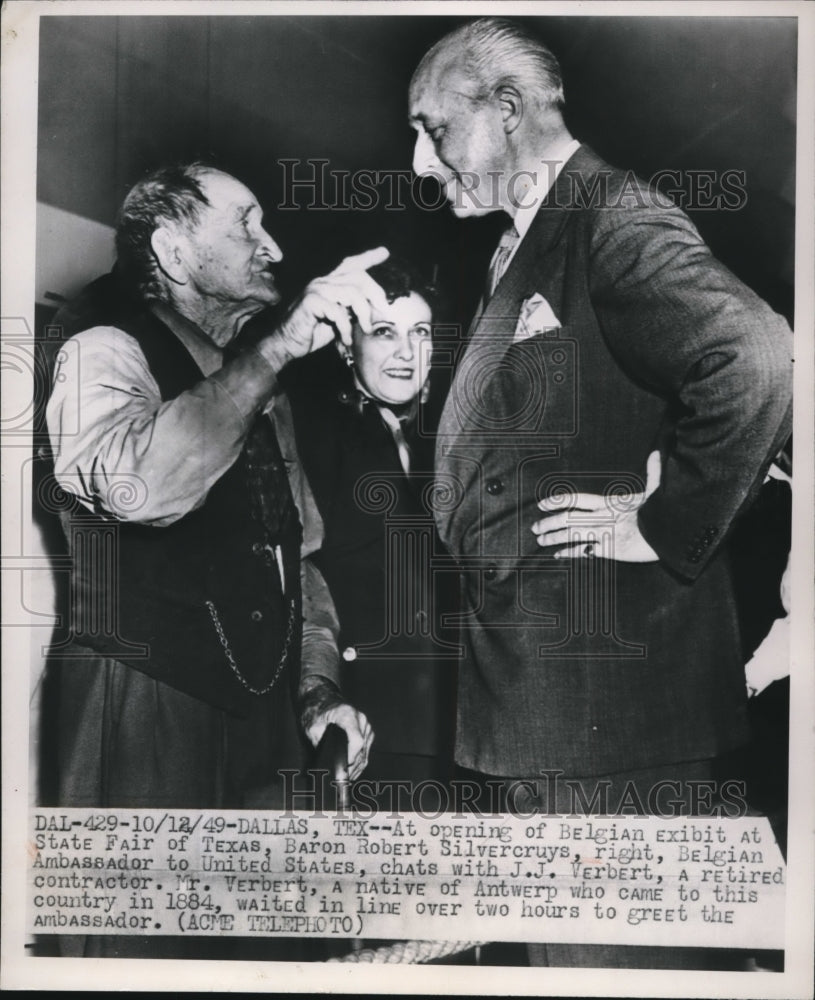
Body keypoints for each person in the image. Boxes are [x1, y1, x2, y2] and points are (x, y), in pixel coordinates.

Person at [408, 18, 793, 968]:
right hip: (552, 706)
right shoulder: (526, 241)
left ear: (507, 111)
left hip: (607, 712)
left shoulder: (608, 215)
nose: (419, 163)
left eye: (433, 130)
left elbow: (755, 356)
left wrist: (665, 527)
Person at [44, 162, 385, 818]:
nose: (274, 248)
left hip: (265, 724)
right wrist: (280, 347)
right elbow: (138, 489)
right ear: (174, 251)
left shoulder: (263, 388)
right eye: (246, 225)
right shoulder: (104, 348)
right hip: (148, 711)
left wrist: (316, 692)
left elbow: (299, 562)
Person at [281, 259, 458, 811]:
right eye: (384, 332)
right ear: (345, 345)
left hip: (471, 726)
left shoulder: (464, 432)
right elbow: (306, 584)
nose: (407, 353)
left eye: (420, 332)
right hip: (371, 726)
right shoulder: (307, 431)